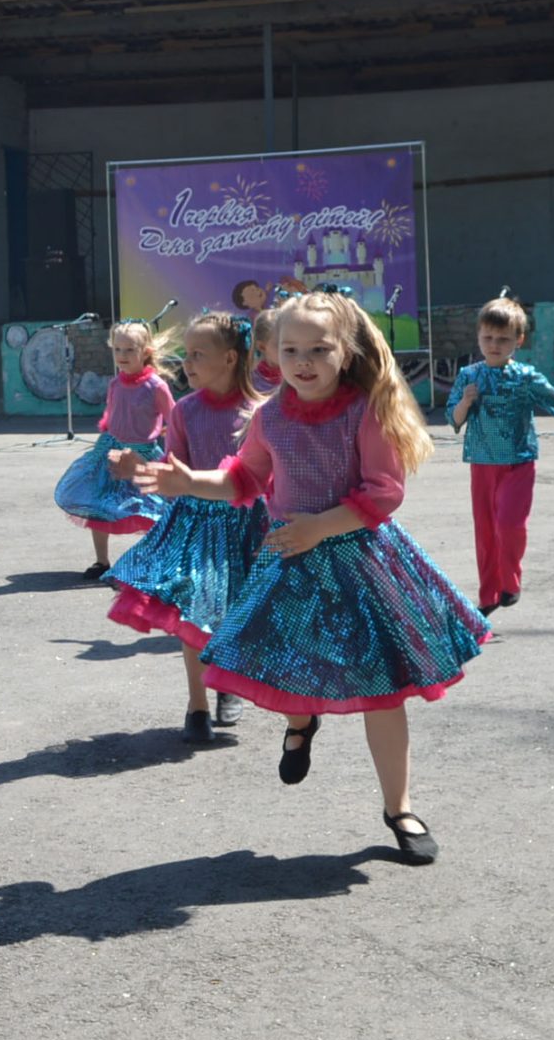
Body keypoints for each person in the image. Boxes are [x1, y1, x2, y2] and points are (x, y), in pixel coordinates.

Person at [135, 290, 484, 865]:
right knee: (289, 674)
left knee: (383, 693)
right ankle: (301, 726)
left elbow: (383, 492)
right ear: (273, 354)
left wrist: (320, 527)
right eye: (291, 349)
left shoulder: (364, 410)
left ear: (346, 352)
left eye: (319, 349)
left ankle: (399, 807)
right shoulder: (270, 416)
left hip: (360, 561)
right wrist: (187, 481)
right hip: (291, 562)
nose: (304, 361)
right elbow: (243, 480)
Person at [102, 313, 271, 745]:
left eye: (198, 355)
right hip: (195, 527)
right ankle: (197, 706)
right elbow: (172, 472)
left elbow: (270, 476)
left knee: (235, 614)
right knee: (191, 614)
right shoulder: (186, 411)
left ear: (230, 358)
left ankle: (227, 682)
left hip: (248, 526)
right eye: (186, 354)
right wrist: (137, 469)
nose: (187, 363)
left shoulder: (260, 412)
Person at [448, 291, 554, 613]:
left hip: (518, 463)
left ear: (518, 340)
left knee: (509, 525)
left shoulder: (526, 377)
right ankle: (489, 596)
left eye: (503, 339)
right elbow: (454, 420)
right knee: (486, 533)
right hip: (482, 465)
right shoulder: (468, 376)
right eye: (488, 338)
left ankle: (510, 581)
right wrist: (465, 403)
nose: (494, 345)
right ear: (479, 337)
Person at [53, 320, 176, 579]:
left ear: (145, 352)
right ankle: (102, 561)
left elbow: (175, 419)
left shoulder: (156, 386)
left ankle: (153, 562)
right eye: (117, 349)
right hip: (110, 451)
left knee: (153, 509)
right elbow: (112, 415)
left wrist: (169, 441)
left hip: (141, 455)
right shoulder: (115, 384)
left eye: (130, 350)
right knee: (98, 505)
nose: (122, 355)